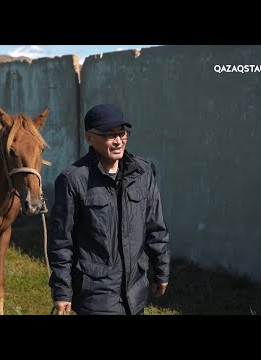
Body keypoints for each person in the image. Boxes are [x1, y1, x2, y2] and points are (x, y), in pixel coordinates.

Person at [48, 104, 170, 315]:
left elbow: (156, 227)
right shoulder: (73, 180)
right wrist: (62, 292)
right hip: (96, 295)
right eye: (108, 135)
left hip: (135, 291)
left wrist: (162, 271)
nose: (117, 141)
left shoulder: (142, 173)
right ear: (89, 138)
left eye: (121, 133)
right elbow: (61, 242)